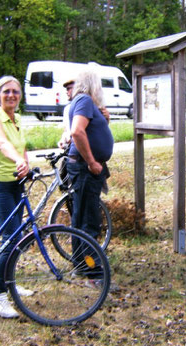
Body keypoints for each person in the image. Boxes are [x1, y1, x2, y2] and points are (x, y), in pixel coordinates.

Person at [0, 75, 32, 318]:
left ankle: (9, 281)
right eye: (6, 92)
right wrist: (18, 160)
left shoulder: (18, 118)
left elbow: (21, 144)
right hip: (1, 185)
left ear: (20, 96)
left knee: (18, 237)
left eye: (15, 91)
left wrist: (26, 164)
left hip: (17, 184)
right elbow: (3, 144)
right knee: (11, 239)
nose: (11, 95)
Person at [66, 69, 114, 285]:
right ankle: (93, 272)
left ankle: (80, 264)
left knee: (80, 216)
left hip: (84, 168)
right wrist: (92, 162)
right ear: (94, 85)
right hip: (86, 169)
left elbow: (90, 131)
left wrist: (104, 120)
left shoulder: (85, 103)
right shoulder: (84, 100)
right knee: (89, 220)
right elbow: (77, 131)